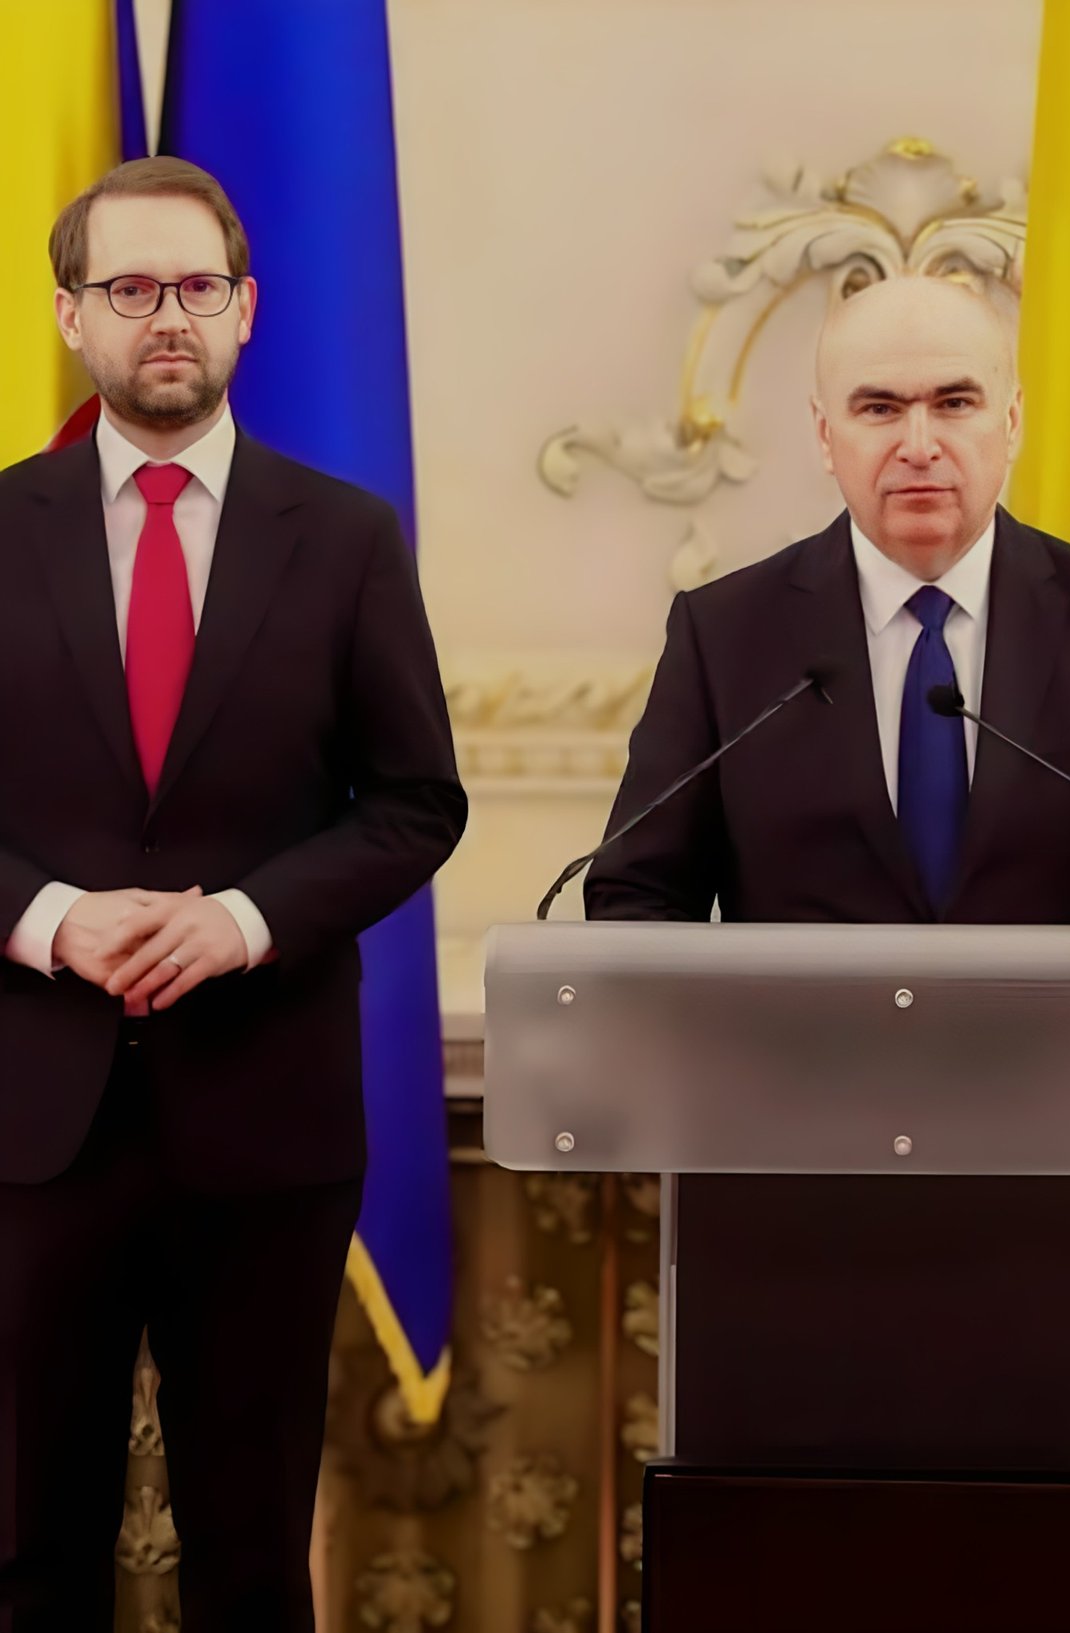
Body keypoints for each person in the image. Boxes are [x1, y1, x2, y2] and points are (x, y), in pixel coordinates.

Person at [0, 157, 466, 1631]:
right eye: (131, 288)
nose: (168, 317)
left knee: (253, 1561)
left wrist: (242, 919)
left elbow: (417, 803)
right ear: (71, 315)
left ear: (247, 309)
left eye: (197, 286)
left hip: (266, 1126)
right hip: (30, 1131)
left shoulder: (345, 537)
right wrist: (50, 920)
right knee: (24, 1555)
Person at [585, 273, 1070, 929]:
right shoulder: (724, 635)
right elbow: (634, 900)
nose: (919, 447)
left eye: (954, 403)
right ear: (825, 434)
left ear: (1011, 422)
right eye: (880, 409)